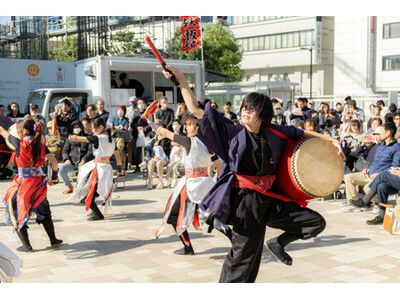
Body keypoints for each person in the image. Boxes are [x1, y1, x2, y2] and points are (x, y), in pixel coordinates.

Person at [159, 64, 345, 282]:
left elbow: (301, 132)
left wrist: (331, 140)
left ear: (263, 115)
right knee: (243, 259)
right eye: (244, 107)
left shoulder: (275, 131)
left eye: (251, 108)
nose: (245, 111)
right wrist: (180, 79)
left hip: (270, 199)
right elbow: (196, 110)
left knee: (314, 222)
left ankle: (279, 243)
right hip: (245, 205)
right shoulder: (232, 132)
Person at [148, 114, 232, 255]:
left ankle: (188, 248)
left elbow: (165, 132)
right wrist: (218, 185)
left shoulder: (189, 141)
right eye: (186, 124)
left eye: (189, 124)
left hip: (191, 186)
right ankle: (236, 242)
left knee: (174, 216)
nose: (186, 128)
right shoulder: (210, 144)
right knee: (211, 218)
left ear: (198, 127)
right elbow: (220, 167)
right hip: (206, 186)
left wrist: (150, 123)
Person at [0, 118, 62, 252]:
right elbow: (54, 163)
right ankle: (53, 240)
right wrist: (55, 179)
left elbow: (2, 131)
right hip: (38, 183)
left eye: (19, 129)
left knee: (17, 211)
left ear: (24, 131)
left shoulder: (18, 143)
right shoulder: (41, 144)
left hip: (23, 184)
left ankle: (27, 245)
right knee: (44, 210)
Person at [66, 118, 123, 221]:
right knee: (91, 192)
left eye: (94, 129)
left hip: (98, 170)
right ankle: (95, 211)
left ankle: (98, 214)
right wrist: (119, 171)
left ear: (101, 127)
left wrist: (62, 135)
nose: (92, 131)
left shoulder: (98, 138)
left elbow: (78, 138)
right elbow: (118, 157)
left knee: (83, 193)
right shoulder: (111, 139)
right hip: (105, 170)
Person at [342, 123, 400, 213]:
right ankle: (353, 204)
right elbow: (375, 162)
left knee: (367, 188)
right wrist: (368, 168)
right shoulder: (380, 146)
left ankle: (371, 203)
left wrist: (379, 174)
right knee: (348, 177)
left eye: (380, 132)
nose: (378, 135)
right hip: (369, 173)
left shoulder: (397, 148)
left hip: (380, 177)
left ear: (388, 133)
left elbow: (394, 168)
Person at [59, 120, 93, 194]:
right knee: (61, 169)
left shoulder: (87, 137)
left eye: (78, 127)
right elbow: (64, 150)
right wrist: (66, 159)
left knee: (82, 172)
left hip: (82, 163)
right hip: (72, 162)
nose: (76, 128)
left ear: (81, 127)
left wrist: (84, 159)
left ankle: (77, 187)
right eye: (74, 127)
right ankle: (69, 187)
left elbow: (90, 151)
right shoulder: (70, 138)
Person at [146, 121, 171, 189]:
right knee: (151, 162)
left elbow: (165, 149)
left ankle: (160, 182)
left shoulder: (166, 139)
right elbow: (151, 149)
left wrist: (162, 138)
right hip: (156, 158)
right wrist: (154, 156)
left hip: (164, 158)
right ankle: (150, 181)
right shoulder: (154, 139)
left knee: (159, 163)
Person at [130, 98, 151, 171]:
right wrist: (137, 128)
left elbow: (151, 123)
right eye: (139, 103)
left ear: (145, 104)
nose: (140, 105)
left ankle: (148, 165)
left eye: (142, 103)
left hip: (146, 133)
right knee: (136, 151)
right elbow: (132, 124)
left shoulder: (149, 113)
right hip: (137, 134)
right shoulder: (135, 113)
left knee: (148, 149)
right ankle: (137, 166)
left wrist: (145, 129)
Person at [111, 105, 130, 170]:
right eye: (119, 110)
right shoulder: (114, 118)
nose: (120, 112)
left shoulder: (126, 119)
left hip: (122, 137)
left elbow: (125, 128)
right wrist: (118, 129)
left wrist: (117, 129)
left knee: (120, 149)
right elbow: (112, 127)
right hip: (114, 137)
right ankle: (120, 167)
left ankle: (123, 167)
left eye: (121, 110)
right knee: (120, 152)